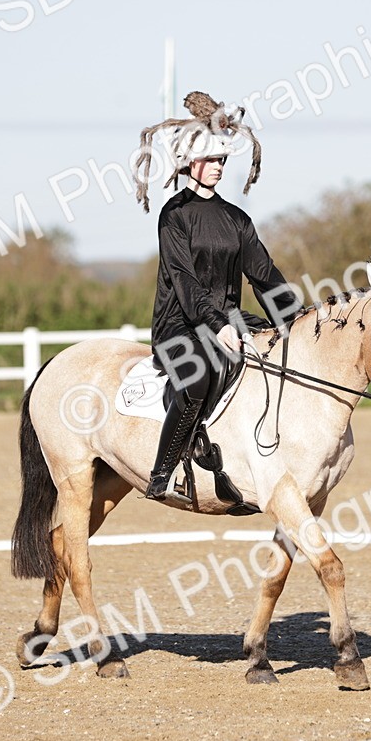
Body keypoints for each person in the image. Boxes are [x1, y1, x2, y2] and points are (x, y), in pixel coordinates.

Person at [133, 91, 300, 502]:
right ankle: (163, 472)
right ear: (190, 162)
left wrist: (296, 321)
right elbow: (185, 283)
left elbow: (263, 274)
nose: (218, 168)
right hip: (180, 324)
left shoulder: (236, 218)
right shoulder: (174, 215)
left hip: (229, 319)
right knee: (199, 373)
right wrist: (218, 325)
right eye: (211, 161)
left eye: (223, 161)